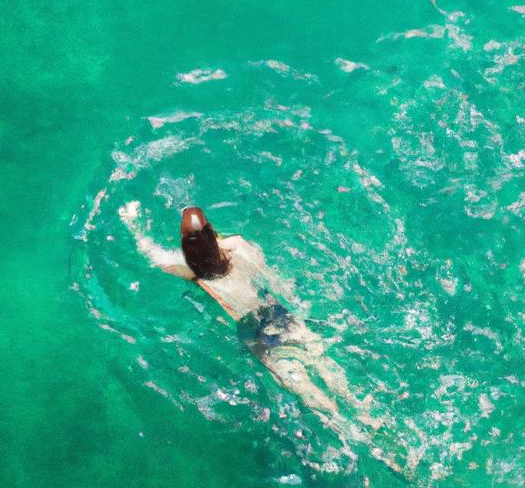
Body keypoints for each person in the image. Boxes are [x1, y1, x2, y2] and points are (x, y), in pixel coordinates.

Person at [119, 201, 418, 477]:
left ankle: (370, 449)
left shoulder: (189, 271)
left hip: (254, 334)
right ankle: (378, 426)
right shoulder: (238, 246)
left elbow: (151, 253)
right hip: (278, 316)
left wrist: (132, 222)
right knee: (330, 371)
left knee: (314, 398)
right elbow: (273, 279)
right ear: (212, 232)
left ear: (187, 250)